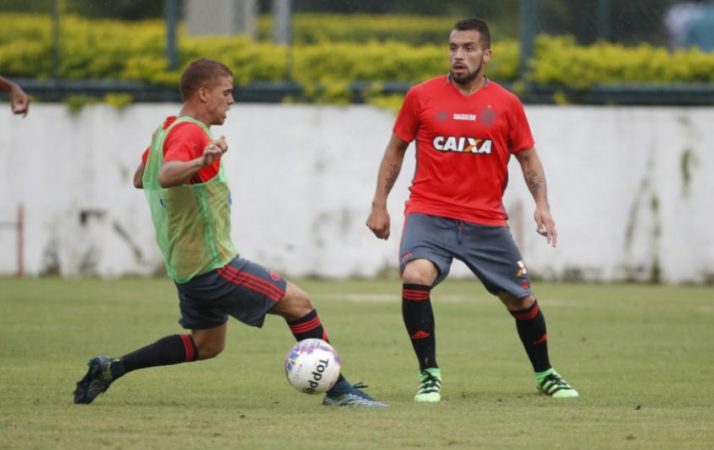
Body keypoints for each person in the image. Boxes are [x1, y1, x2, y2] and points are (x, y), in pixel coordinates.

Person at [73, 58, 386, 408]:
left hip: (185, 267)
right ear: (204, 94)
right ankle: (340, 391)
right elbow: (166, 175)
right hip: (213, 264)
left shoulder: (166, 129)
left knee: (207, 345)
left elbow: (139, 178)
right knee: (300, 304)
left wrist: (189, 168)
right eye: (226, 92)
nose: (231, 100)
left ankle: (112, 368)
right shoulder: (189, 132)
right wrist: (200, 162)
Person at [366, 18, 578, 402]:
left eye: (468, 48)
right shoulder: (421, 97)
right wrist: (379, 204)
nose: (458, 56)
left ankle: (545, 373)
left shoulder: (507, 104)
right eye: (453, 48)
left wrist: (542, 205)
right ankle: (429, 374)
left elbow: (528, 158)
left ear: (487, 55)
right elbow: (395, 150)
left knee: (521, 301)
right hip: (429, 213)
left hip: (485, 221)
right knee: (415, 276)